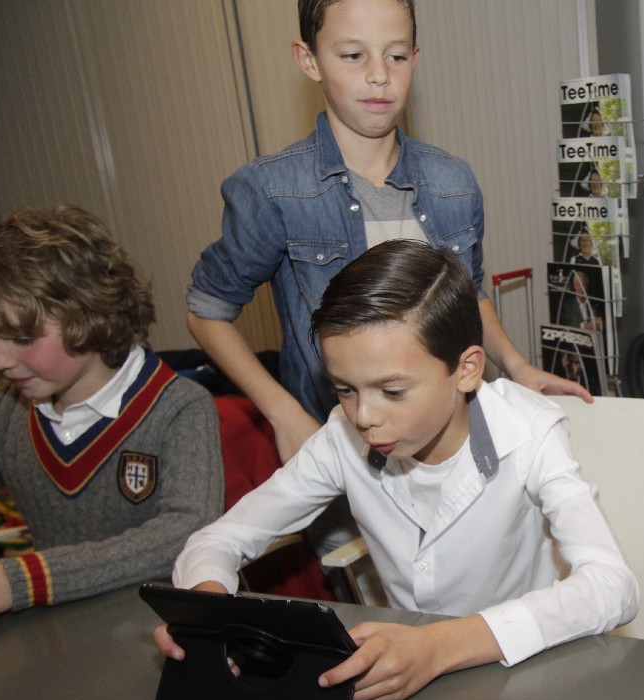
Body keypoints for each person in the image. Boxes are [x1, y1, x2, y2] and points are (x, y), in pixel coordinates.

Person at [158, 239, 638, 700]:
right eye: (345, 389)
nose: (364, 416)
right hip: (411, 682)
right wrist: (210, 617)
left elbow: (611, 587)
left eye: (392, 392)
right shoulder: (341, 437)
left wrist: (437, 646)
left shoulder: (531, 432)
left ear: (467, 370)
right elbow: (218, 540)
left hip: (526, 680)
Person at [186, 0, 589, 469]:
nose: (379, 75)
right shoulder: (274, 190)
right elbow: (207, 312)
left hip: (453, 451)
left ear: (415, 58)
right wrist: (282, 412)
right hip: (345, 460)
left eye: (395, 56)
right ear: (309, 60)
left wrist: (517, 366)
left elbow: (468, 296)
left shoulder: (453, 181)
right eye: (353, 56)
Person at [0, 205, 223, 620]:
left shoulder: (180, 407)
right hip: (55, 627)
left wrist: (22, 580)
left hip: (153, 629)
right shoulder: (4, 408)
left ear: (95, 318)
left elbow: (183, 535)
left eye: (21, 338)